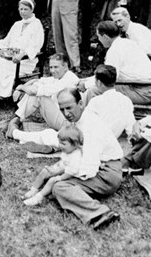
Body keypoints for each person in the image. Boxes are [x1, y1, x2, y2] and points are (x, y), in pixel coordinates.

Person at [47, 88, 124, 230]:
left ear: (81, 104)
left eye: (69, 108)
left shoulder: (90, 126)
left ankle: (100, 213)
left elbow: (89, 169)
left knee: (59, 187)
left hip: (106, 172)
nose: (66, 114)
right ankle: (71, 194)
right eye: (62, 109)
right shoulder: (77, 120)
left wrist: (63, 176)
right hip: (97, 166)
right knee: (53, 181)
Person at [0, 0, 45, 110]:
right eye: (21, 9)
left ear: (32, 10)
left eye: (25, 9)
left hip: (24, 61)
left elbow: (35, 46)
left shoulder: (36, 24)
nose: (22, 12)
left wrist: (22, 54)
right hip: (10, 59)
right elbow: (6, 41)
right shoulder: (17, 24)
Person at [6, 53, 79, 137]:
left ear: (65, 66)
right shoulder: (60, 76)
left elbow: (34, 91)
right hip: (63, 117)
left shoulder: (68, 79)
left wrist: (21, 87)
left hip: (69, 124)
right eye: (51, 67)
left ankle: (13, 121)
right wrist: (24, 87)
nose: (52, 71)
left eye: (56, 67)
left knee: (40, 95)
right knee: (37, 88)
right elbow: (37, 81)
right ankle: (14, 120)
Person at [84, 21, 151, 105]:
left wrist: (85, 84)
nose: (99, 39)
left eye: (98, 36)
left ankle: (88, 116)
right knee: (95, 86)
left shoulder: (115, 50)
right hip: (150, 88)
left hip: (142, 92)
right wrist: (85, 80)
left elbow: (107, 78)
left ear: (105, 37)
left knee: (93, 90)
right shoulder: (127, 42)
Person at [23, 124, 83, 206]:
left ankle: (39, 197)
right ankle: (34, 189)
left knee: (52, 180)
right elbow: (62, 160)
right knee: (45, 171)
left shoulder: (76, 156)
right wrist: (54, 168)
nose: (60, 146)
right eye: (59, 143)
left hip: (69, 176)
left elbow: (71, 172)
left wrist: (60, 177)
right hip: (61, 169)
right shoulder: (67, 151)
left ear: (74, 144)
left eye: (63, 144)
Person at [84, 65, 135, 138]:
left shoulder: (96, 102)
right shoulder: (126, 101)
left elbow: (85, 124)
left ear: (98, 82)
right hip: (112, 140)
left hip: (95, 140)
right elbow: (131, 128)